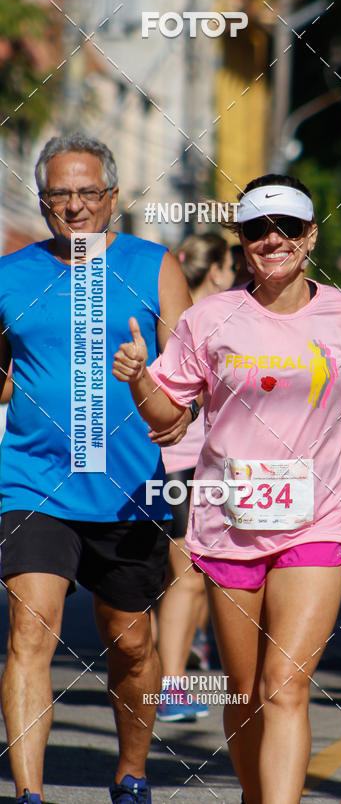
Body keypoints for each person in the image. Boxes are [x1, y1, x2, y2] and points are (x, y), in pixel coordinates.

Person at [113, 173, 341, 804]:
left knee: (285, 686)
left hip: (317, 520)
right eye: (256, 230)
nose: (272, 240)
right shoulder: (209, 318)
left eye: (287, 227)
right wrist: (139, 380)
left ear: (311, 235)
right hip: (230, 524)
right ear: (242, 240)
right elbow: (168, 421)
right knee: (245, 695)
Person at [0, 133, 192, 804]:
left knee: (131, 643)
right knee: (30, 631)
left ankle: (131, 773)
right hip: (34, 481)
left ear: (112, 197)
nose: (75, 206)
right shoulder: (10, 275)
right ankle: (28, 794)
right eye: (60, 194)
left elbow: (190, 381)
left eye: (88, 193)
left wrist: (159, 392)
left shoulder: (155, 267)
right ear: (42, 201)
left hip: (128, 488)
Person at [157, 232, 235, 721]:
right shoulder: (202, 319)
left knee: (176, 577)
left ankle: (166, 676)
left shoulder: (176, 314)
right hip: (183, 462)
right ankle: (171, 686)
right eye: (230, 265)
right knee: (186, 576)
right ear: (216, 271)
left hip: (190, 461)